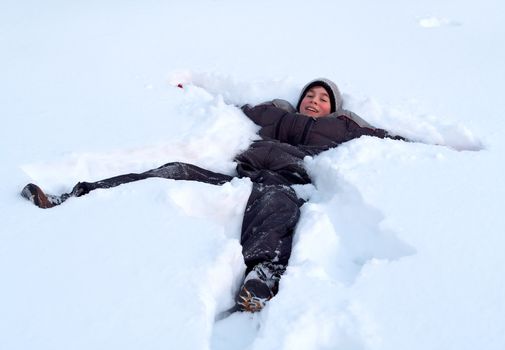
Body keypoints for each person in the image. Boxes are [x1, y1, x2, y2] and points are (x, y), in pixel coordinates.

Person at [21, 78, 405, 312]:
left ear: (333, 107)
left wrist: (456, 151)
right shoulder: (273, 114)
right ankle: (75, 195)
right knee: (171, 170)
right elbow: (222, 105)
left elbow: (394, 142)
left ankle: (263, 275)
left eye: (323, 98)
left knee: (276, 205)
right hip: (243, 171)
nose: (314, 100)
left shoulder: (342, 128)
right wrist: (185, 89)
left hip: (287, 178)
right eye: (311, 95)